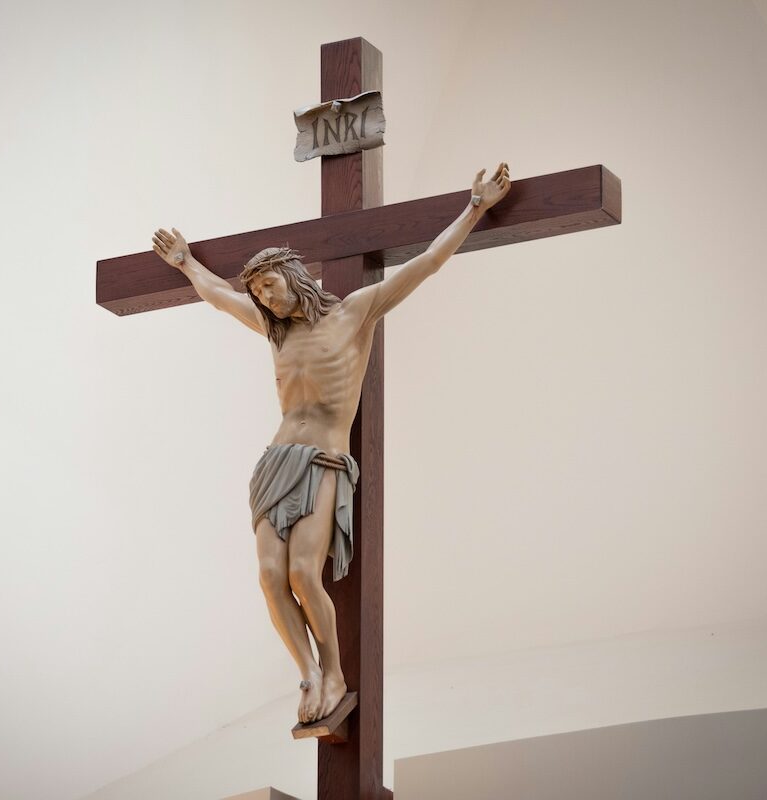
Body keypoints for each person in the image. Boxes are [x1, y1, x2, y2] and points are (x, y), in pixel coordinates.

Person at [152, 163, 511, 724]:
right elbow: (218, 296)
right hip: (276, 463)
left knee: (301, 573)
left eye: (270, 285)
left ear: (294, 275)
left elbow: (427, 263)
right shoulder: (276, 332)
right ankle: (309, 674)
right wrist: (185, 262)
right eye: (259, 292)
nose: (264, 298)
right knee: (269, 578)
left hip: (324, 460)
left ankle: (335, 670)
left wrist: (475, 207)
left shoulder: (354, 313)